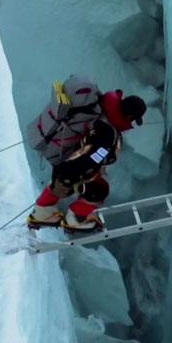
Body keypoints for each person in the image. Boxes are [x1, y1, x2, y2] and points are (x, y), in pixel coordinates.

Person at [25, 75, 146, 232]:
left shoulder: (100, 106)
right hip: (73, 165)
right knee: (98, 189)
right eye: (133, 120)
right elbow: (93, 157)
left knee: (60, 184)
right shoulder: (108, 133)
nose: (130, 124)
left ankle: (41, 212)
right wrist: (70, 176)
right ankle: (75, 219)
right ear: (129, 116)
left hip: (64, 155)